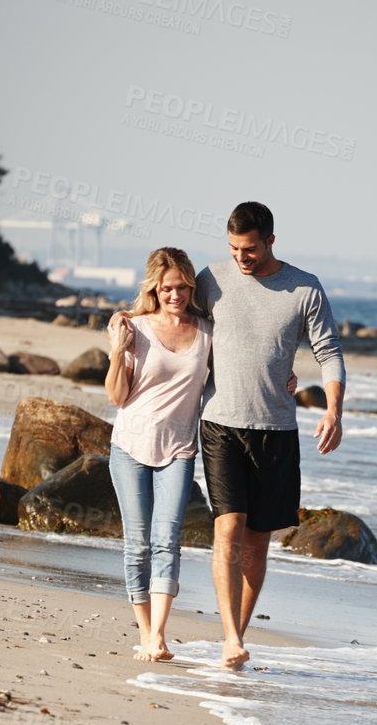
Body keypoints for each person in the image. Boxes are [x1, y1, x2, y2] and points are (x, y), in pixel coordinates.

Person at [197, 201, 345, 666]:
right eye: (234, 248)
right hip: (220, 423)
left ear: (271, 241)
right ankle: (229, 638)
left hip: (276, 429)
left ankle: (235, 635)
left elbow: (329, 351)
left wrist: (334, 410)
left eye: (251, 249)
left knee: (258, 542)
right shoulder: (211, 279)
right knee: (229, 528)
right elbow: (180, 321)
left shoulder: (304, 288)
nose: (242, 257)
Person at [105, 247, 211, 662]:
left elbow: (237, 368)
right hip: (130, 447)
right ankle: (146, 632)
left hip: (179, 449)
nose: (175, 295)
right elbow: (117, 396)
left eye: (183, 286)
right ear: (155, 287)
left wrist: (285, 376)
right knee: (138, 545)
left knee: (168, 541)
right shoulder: (135, 328)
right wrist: (117, 349)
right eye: (167, 287)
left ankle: (160, 636)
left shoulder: (206, 332)